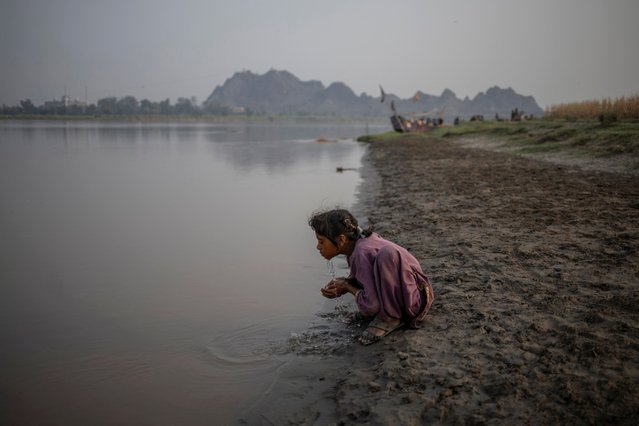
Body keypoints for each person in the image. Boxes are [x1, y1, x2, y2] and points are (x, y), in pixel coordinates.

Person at [309, 208, 434, 345]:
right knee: (381, 259)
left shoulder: (361, 253)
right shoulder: (358, 245)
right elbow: (367, 276)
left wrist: (347, 286)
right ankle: (389, 309)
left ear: (341, 239)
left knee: (388, 254)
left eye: (321, 241)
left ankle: (391, 317)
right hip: (411, 292)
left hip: (415, 301)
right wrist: (347, 282)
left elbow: (372, 305)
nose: (318, 247)